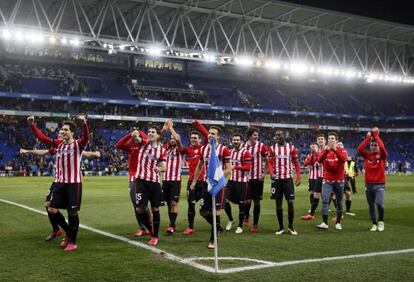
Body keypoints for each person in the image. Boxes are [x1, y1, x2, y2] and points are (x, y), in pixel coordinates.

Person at [27, 115, 90, 252]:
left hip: (74, 184)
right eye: (62, 129)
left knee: (72, 212)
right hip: (60, 183)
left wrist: (84, 123)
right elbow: (42, 138)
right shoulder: (58, 144)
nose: (62, 131)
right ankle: (68, 232)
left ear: (72, 132)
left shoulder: (78, 144)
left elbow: (86, 138)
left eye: (65, 129)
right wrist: (33, 125)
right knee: (51, 209)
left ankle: (72, 241)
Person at [20, 147, 100, 241]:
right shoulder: (58, 147)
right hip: (58, 181)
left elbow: (86, 153)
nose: (61, 133)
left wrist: (95, 153)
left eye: (64, 131)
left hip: (70, 183)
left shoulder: (74, 147)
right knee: (48, 205)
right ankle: (57, 230)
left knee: (64, 210)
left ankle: (68, 234)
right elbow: (43, 152)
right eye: (61, 131)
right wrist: (28, 151)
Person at [190, 126, 231, 249]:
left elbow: (229, 168)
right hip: (206, 184)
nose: (210, 135)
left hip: (218, 184)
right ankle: (217, 227)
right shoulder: (203, 149)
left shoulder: (224, 150)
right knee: (203, 212)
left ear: (218, 136)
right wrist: (194, 181)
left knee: (216, 212)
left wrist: (218, 176)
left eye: (213, 134)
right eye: (209, 133)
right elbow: (199, 166)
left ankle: (213, 239)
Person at [133, 126, 166, 246]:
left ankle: (155, 236)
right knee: (139, 209)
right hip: (141, 181)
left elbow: (164, 166)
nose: (150, 133)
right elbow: (136, 139)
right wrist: (135, 134)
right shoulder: (143, 144)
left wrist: (160, 168)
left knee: (155, 209)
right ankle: (149, 229)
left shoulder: (162, 150)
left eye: (153, 132)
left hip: (155, 182)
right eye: (149, 131)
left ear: (157, 136)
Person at [115, 128, 151, 237]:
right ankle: (143, 227)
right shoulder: (131, 147)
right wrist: (130, 135)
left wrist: (139, 134)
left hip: (143, 177)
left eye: (137, 136)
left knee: (143, 204)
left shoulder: (145, 146)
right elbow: (118, 145)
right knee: (136, 204)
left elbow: (147, 140)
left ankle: (149, 226)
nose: (134, 137)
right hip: (132, 178)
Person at [268, 129, 301, 235]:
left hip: (288, 179)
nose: (277, 136)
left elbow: (296, 163)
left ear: (284, 136)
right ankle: (281, 227)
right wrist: (272, 173)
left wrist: (299, 177)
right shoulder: (272, 148)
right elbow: (269, 162)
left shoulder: (291, 148)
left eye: (279, 135)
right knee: (278, 204)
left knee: (290, 202)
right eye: (276, 135)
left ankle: (291, 227)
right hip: (276, 179)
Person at [181, 120, 209, 235]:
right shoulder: (188, 150)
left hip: (203, 182)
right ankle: (190, 227)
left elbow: (207, 134)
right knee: (191, 205)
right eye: (192, 138)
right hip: (191, 182)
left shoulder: (203, 148)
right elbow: (178, 146)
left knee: (204, 208)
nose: (193, 139)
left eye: (195, 138)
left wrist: (197, 123)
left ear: (200, 139)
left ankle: (215, 224)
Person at [357, 127, 388, 232]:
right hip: (368, 185)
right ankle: (374, 223)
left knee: (379, 203)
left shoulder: (382, 156)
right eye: (372, 145)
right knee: (371, 205)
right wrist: (368, 139)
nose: (373, 147)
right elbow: (360, 149)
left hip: (379, 184)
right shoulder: (367, 155)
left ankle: (381, 222)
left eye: (375, 145)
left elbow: (383, 148)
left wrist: (376, 136)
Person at [316, 132, 347, 231]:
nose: (330, 140)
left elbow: (343, 160)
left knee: (339, 202)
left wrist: (335, 150)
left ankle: (338, 222)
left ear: (336, 141)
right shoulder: (325, 151)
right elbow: (319, 160)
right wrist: (326, 151)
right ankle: (325, 223)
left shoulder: (342, 150)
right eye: (329, 138)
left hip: (339, 181)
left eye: (333, 138)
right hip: (327, 180)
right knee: (325, 200)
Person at [224, 134, 251, 234]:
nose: (235, 141)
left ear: (241, 141)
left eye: (237, 140)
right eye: (234, 139)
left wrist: (235, 167)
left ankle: (240, 225)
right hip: (231, 181)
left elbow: (248, 167)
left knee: (241, 205)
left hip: (242, 182)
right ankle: (231, 219)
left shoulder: (246, 152)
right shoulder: (230, 152)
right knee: (224, 200)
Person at [161, 119, 184, 235]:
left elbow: (178, 139)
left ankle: (172, 225)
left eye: (173, 138)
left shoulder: (180, 150)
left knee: (174, 202)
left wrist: (170, 127)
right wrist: (163, 129)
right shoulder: (165, 149)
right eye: (170, 138)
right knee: (168, 203)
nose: (172, 139)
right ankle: (172, 223)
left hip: (175, 180)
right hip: (165, 180)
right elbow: (156, 141)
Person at [242, 127, 268, 232]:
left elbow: (267, 160)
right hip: (247, 178)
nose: (256, 137)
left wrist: (263, 173)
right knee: (247, 201)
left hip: (258, 178)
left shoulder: (261, 146)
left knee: (257, 202)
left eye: (257, 135)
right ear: (249, 136)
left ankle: (255, 224)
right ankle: (247, 216)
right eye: (254, 135)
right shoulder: (243, 146)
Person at [302, 134, 326, 220]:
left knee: (330, 195)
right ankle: (311, 214)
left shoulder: (327, 149)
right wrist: (313, 153)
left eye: (321, 139)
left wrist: (316, 152)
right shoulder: (314, 153)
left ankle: (338, 215)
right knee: (315, 195)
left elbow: (322, 158)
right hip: (319, 176)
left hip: (327, 177)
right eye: (318, 139)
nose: (320, 140)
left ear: (324, 141)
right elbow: (306, 164)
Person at [302, 143, 319, 220]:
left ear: (317, 147)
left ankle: (327, 206)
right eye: (311, 147)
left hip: (320, 176)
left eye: (314, 147)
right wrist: (312, 155)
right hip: (312, 177)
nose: (312, 148)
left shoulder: (321, 154)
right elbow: (305, 164)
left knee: (325, 193)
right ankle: (313, 208)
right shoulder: (309, 155)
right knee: (312, 193)